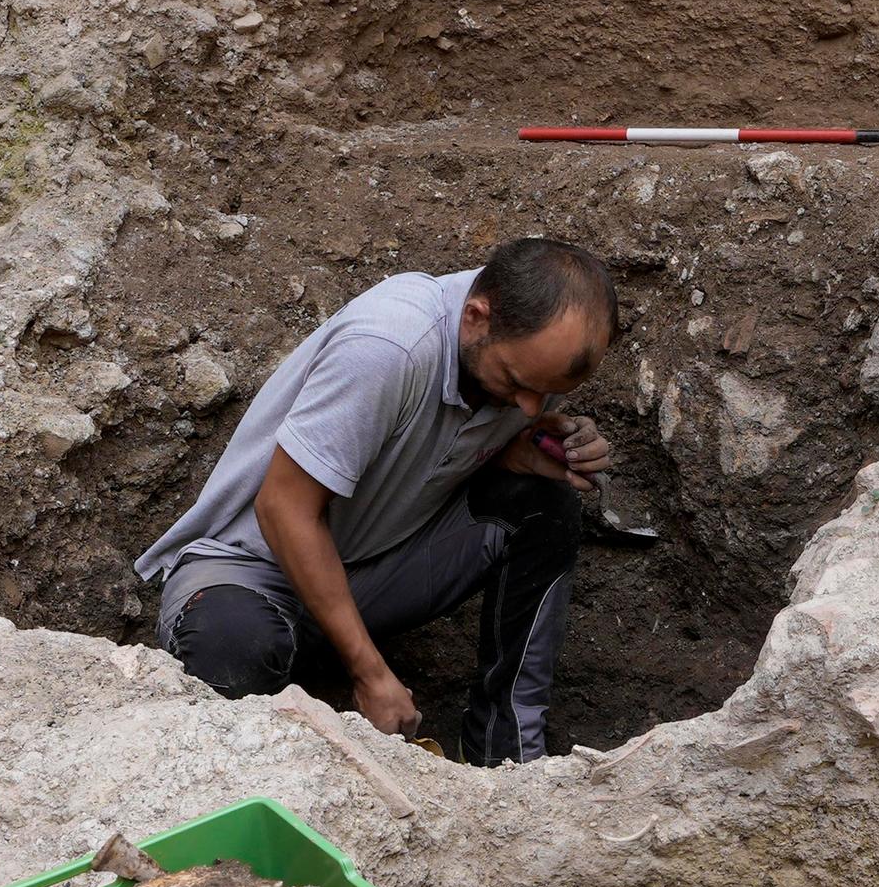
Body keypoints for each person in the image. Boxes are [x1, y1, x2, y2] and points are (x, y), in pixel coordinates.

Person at [134, 236, 638, 763]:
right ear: (476, 317)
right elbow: (282, 508)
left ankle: (508, 762)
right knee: (234, 648)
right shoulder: (388, 347)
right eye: (516, 382)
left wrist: (516, 454)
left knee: (545, 506)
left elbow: (434, 452)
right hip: (248, 572)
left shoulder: (517, 354)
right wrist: (371, 673)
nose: (530, 404)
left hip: (371, 574)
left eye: (545, 391)